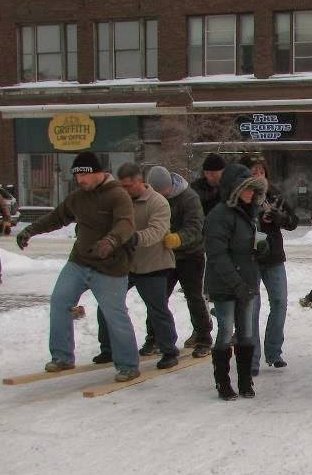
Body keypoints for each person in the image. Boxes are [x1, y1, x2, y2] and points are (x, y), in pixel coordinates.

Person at [15, 152, 140, 381]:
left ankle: (129, 365)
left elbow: (126, 224)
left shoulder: (118, 195)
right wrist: (30, 230)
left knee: (115, 315)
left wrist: (110, 241)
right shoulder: (78, 197)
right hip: (80, 262)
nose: (80, 180)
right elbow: (57, 217)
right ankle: (62, 356)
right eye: (77, 176)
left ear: (99, 173)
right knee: (60, 301)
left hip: (111, 267)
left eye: (85, 175)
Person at [94, 162, 179, 369]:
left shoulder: (158, 202)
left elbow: (157, 231)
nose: (125, 190)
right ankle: (108, 348)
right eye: (121, 186)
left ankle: (169, 350)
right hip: (125, 264)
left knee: (157, 309)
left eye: (129, 186)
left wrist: (132, 238)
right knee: (107, 303)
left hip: (154, 264)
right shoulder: (119, 200)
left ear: (140, 181)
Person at [204, 167, 268, 400]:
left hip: (247, 282)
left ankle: (244, 380)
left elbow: (245, 248)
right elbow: (218, 256)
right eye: (247, 188)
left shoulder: (248, 213)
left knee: (247, 333)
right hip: (225, 285)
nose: (251, 193)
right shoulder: (219, 216)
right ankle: (223, 382)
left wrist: (262, 248)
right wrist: (237, 285)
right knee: (225, 332)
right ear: (235, 189)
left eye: (253, 188)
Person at [146, 165, 213, 357]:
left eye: (162, 191)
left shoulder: (188, 197)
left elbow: (195, 226)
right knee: (158, 298)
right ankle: (154, 338)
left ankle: (203, 337)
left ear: (169, 185)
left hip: (191, 254)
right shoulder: (151, 198)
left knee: (194, 296)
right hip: (164, 256)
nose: (160, 195)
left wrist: (178, 238)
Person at [250, 172, 299, 374]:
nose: (258, 175)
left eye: (261, 171)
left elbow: (293, 221)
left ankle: (274, 352)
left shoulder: (275, 196)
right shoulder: (242, 197)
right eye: (253, 171)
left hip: (273, 256)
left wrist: (280, 218)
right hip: (250, 258)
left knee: (280, 302)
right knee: (252, 309)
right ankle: (252, 359)